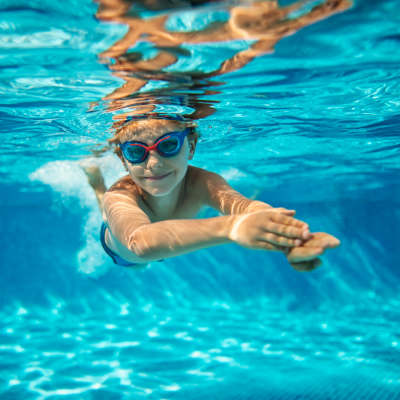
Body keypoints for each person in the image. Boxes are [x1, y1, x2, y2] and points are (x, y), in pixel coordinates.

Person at [82, 115, 340, 272]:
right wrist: (232, 228)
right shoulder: (121, 195)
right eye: (137, 152)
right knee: (133, 253)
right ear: (123, 160)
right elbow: (141, 243)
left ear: (191, 147)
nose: (153, 163)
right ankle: (96, 183)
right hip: (123, 251)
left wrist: (289, 239)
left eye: (168, 145)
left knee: (152, 259)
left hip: (165, 247)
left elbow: (245, 207)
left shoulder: (204, 182)